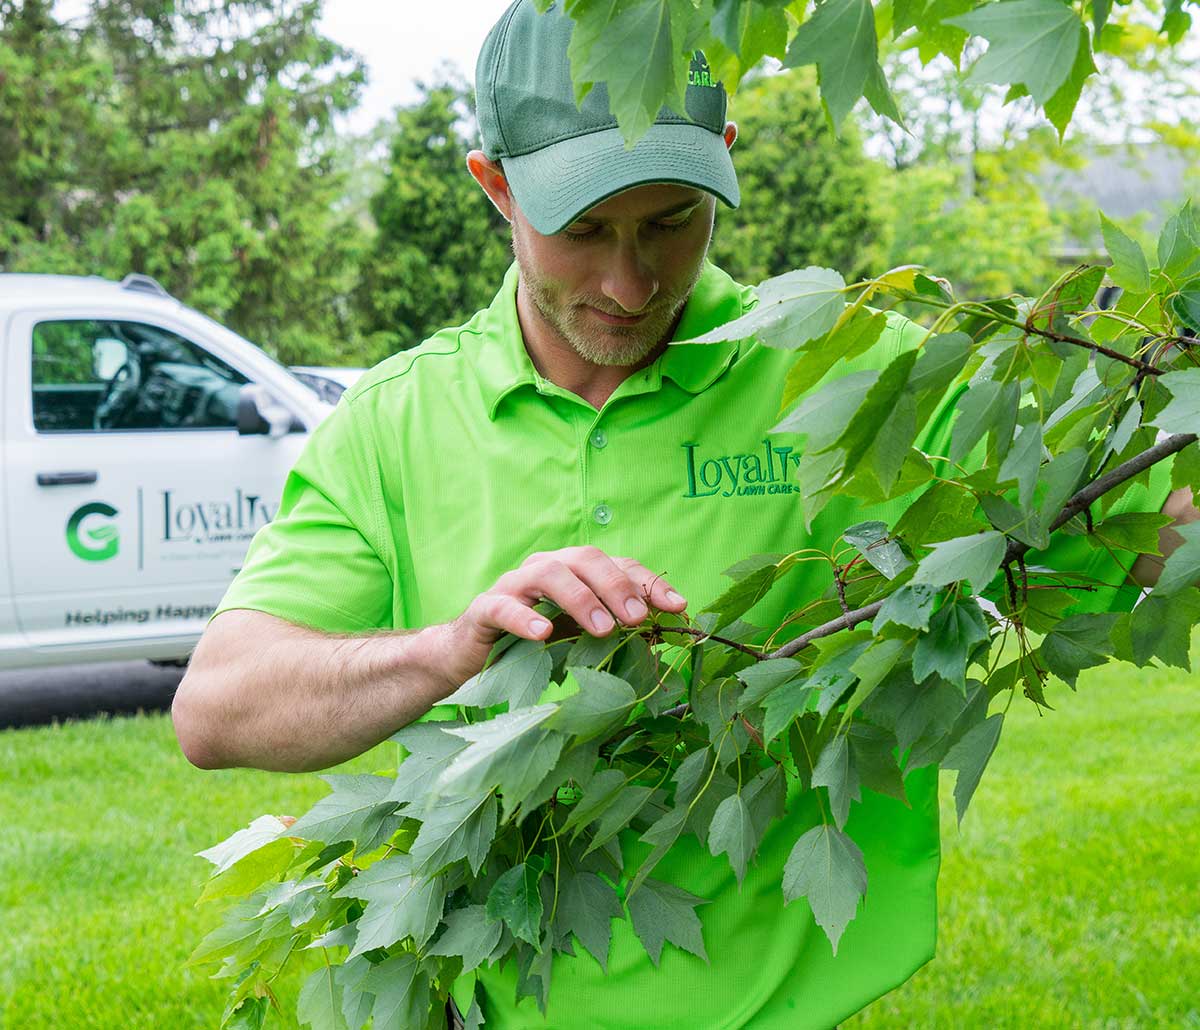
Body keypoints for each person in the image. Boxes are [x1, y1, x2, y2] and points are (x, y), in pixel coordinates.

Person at [171, 2, 1195, 1027]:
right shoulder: (397, 422)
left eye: (671, 222)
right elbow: (217, 708)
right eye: (583, 232)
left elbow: (1158, 520)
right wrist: (452, 648)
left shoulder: (859, 375)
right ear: (495, 187)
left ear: (723, 162)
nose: (629, 280)